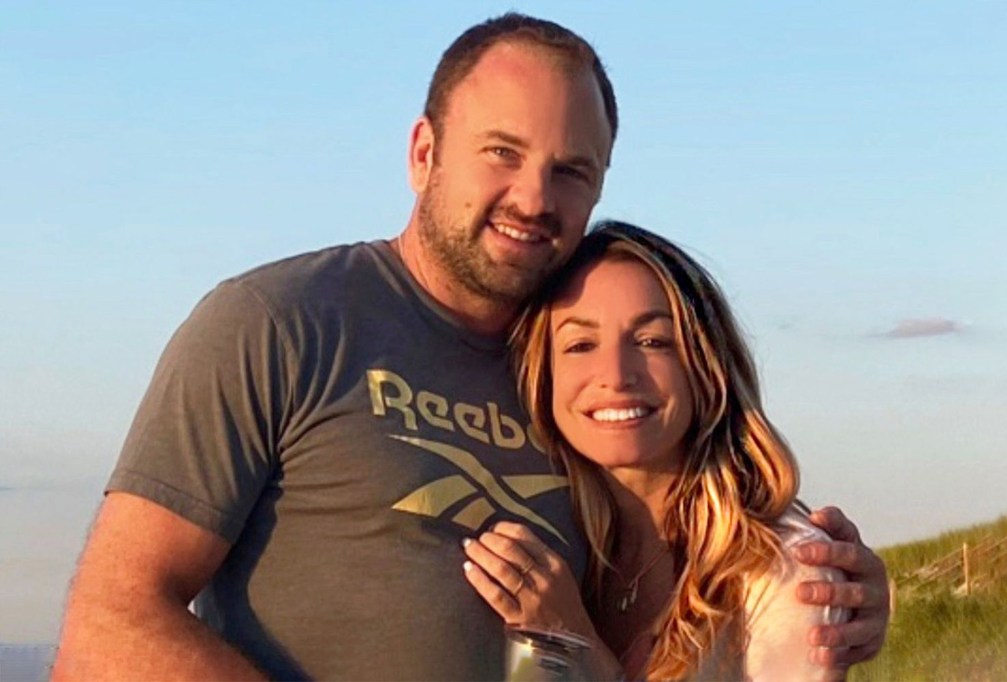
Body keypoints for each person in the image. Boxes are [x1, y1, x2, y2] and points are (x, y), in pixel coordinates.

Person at [52, 13, 888, 681]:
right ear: (423, 154)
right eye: (502, 153)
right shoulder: (280, 322)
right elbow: (109, 629)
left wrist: (822, 596)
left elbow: (687, 567)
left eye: (572, 171)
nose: (533, 196)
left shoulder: (575, 378)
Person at [462, 221, 864, 680]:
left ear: (705, 368)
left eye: (652, 341)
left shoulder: (784, 573)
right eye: (580, 345)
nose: (615, 374)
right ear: (543, 376)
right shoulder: (560, 549)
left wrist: (572, 639)